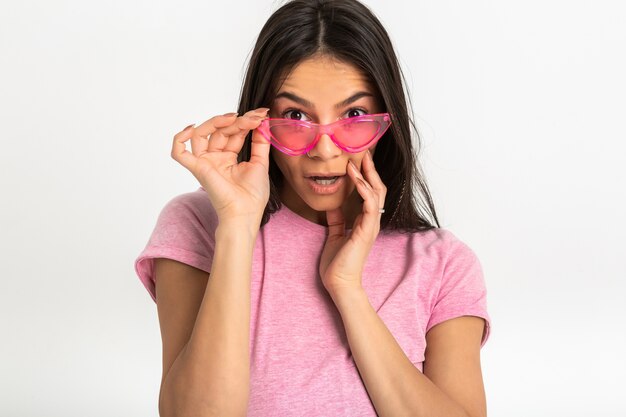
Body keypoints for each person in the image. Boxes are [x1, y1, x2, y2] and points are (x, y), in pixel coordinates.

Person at [134, 0, 491, 416]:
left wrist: (347, 290)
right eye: (295, 114)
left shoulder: (444, 262)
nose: (323, 150)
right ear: (259, 120)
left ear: (386, 119)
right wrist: (237, 225)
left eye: (354, 114)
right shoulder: (198, 224)